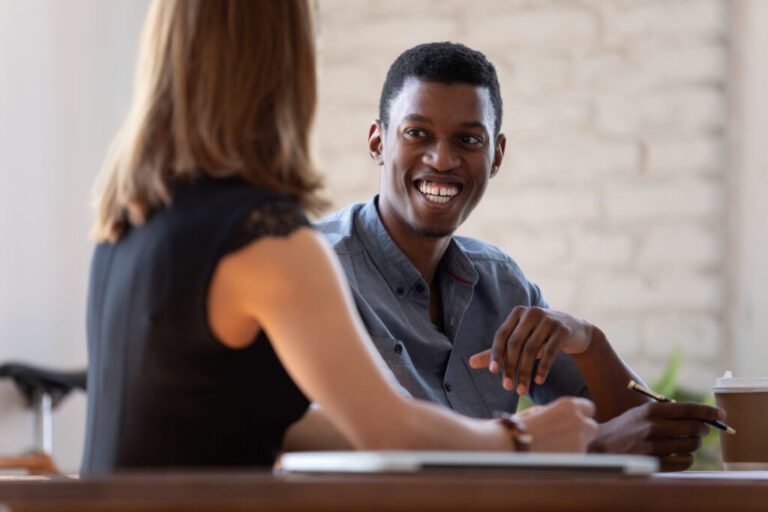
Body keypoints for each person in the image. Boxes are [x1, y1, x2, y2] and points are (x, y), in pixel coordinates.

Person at [81, 1, 598, 474]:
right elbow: (391, 432)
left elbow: (240, 421)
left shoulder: (128, 223)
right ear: (286, 66)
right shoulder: (269, 240)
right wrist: (523, 437)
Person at [311, 42, 724, 472]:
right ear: (378, 142)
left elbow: (644, 438)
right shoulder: (319, 268)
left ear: (497, 156)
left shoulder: (500, 282)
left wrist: (586, 339)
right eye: (417, 133)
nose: (443, 159)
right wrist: (567, 444)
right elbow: (324, 441)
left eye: (468, 140)